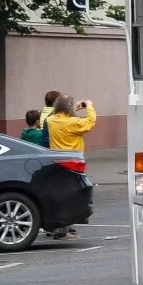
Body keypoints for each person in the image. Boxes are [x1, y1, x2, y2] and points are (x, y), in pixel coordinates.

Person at [45, 94, 97, 240]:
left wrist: (71, 107)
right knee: (71, 197)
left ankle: (59, 228)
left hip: (56, 160)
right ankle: (63, 230)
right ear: (68, 107)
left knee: (60, 195)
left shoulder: (51, 120)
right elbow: (90, 122)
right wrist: (89, 106)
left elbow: (51, 114)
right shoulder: (73, 123)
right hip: (73, 163)